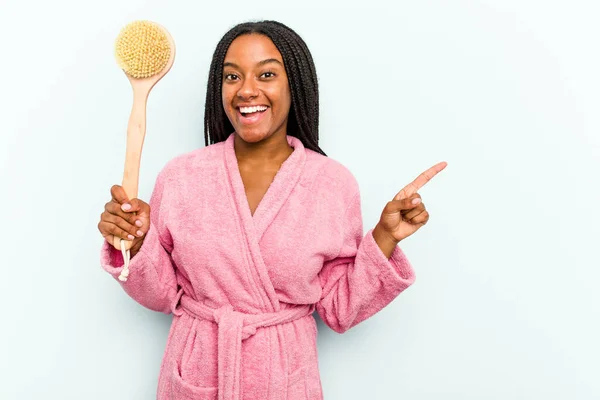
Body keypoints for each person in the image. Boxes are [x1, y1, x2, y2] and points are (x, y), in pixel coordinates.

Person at [98, 20, 446, 400]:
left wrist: (385, 237)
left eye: (266, 74)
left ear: (293, 83)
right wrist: (135, 240)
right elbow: (162, 295)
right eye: (232, 77)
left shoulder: (332, 183)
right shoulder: (182, 176)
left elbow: (339, 309)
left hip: (284, 379)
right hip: (196, 373)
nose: (247, 90)